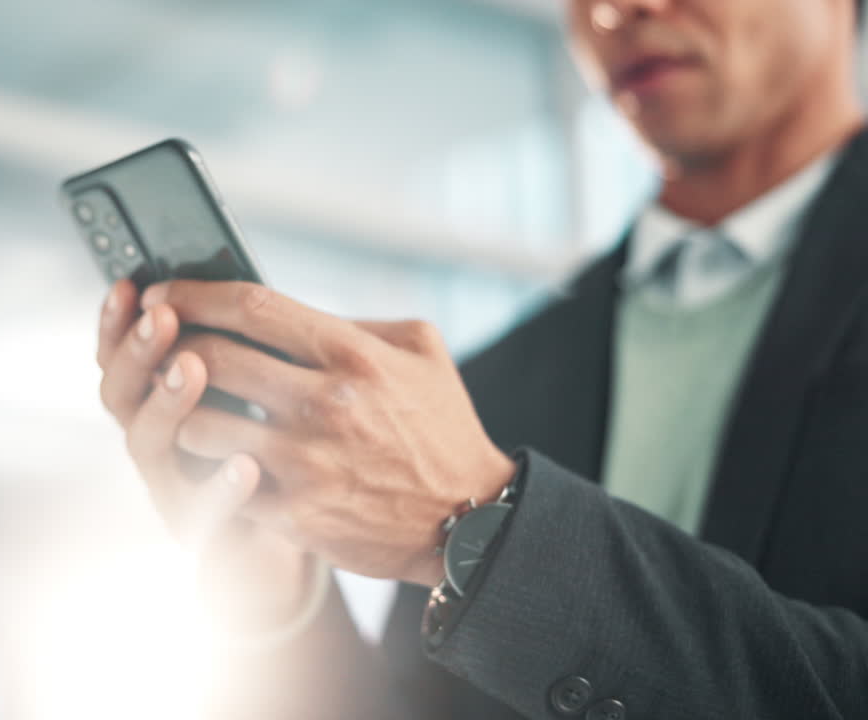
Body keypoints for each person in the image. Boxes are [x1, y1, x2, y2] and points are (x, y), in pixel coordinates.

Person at [93, 0, 868, 717]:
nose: (610, 12)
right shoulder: (489, 385)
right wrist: (270, 596)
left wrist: (487, 526)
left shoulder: (465, 456)